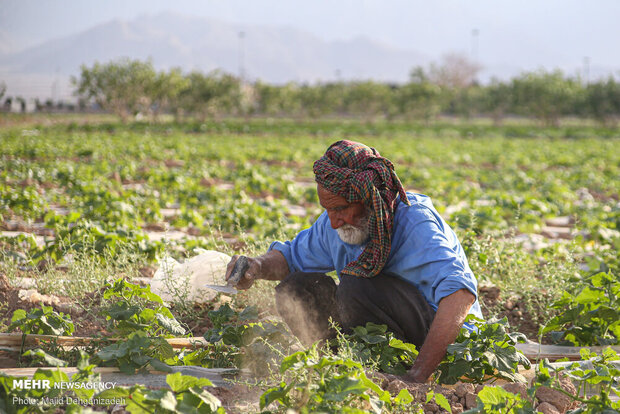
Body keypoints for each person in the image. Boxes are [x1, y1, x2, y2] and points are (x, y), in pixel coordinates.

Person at [225, 140, 482, 383]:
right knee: (296, 287)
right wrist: (255, 266)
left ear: (369, 199)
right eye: (328, 210)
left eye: (341, 209)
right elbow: (291, 258)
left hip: (444, 343)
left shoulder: (415, 222)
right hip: (385, 331)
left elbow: (460, 295)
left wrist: (416, 376)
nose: (334, 221)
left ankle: (402, 370)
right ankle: (338, 369)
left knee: (356, 287)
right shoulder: (334, 224)